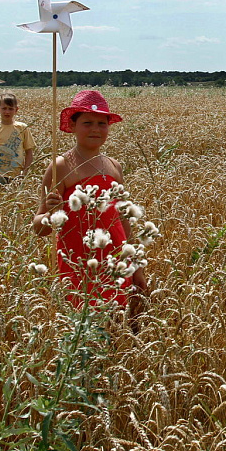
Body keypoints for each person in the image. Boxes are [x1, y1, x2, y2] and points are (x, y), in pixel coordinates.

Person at [32, 90, 145, 306]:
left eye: (102, 123)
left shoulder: (114, 166)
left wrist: (136, 266)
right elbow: (39, 228)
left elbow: (123, 221)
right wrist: (50, 212)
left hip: (116, 262)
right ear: (72, 126)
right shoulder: (60, 167)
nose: (95, 129)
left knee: (117, 322)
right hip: (78, 263)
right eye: (87, 123)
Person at [0, 93, 35, 184]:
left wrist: (25, 172)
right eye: (4, 108)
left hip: (18, 175)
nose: (7, 112)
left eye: (10, 109)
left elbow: (29, 152)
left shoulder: (22, 128)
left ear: (16, 110)